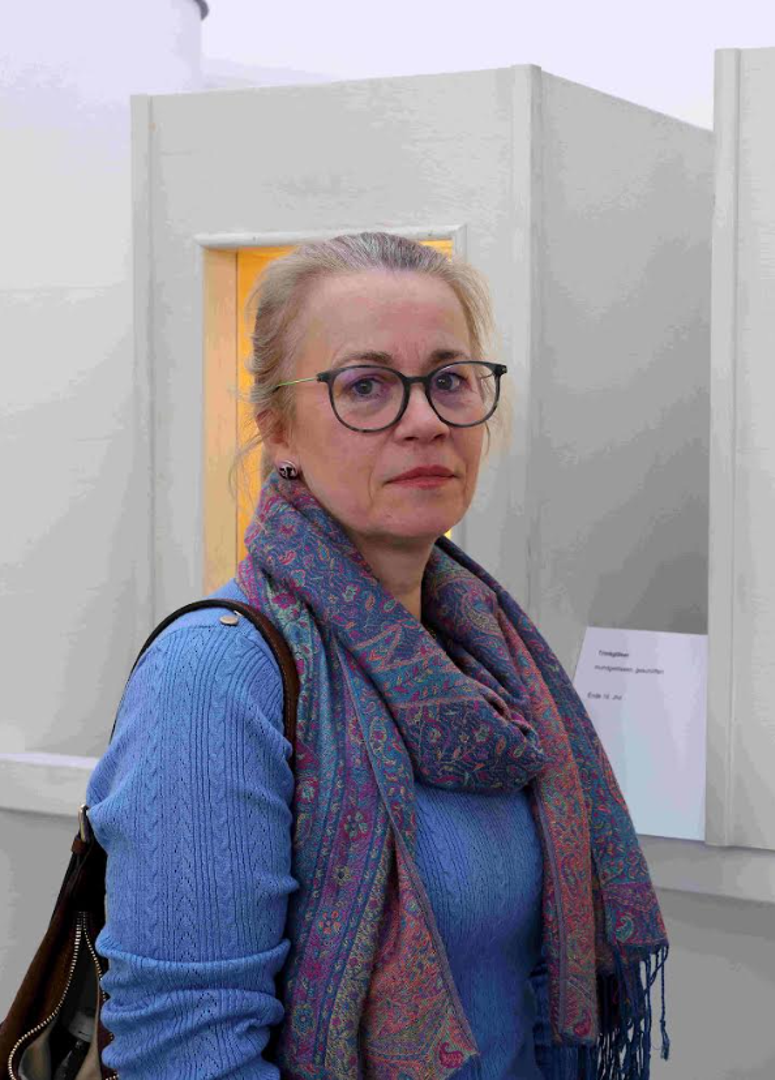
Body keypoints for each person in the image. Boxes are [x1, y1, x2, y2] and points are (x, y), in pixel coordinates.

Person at [84, 232, 669, 1079]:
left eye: (448, 379)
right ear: (278, 430)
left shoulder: (488, 657)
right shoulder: (216, 676)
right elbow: (186, 1051)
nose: (425, 421)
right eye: (365, 386)